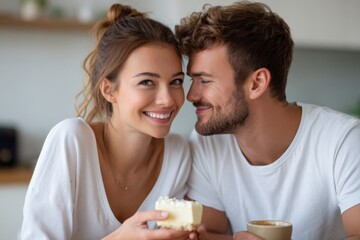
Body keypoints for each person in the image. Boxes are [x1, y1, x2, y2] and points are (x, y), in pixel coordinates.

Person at [175, 1, 360, 240]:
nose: (191, 95)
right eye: (192, 80)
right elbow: (206, 233)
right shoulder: (207, 145)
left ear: (257, 83)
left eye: (205, 81)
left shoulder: (343, 141)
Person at [21, 3, 196, 240]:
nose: (168, 100)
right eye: (147, 82)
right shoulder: (71, 141)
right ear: (108, 90)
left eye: (175, 81)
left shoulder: (178, 154)